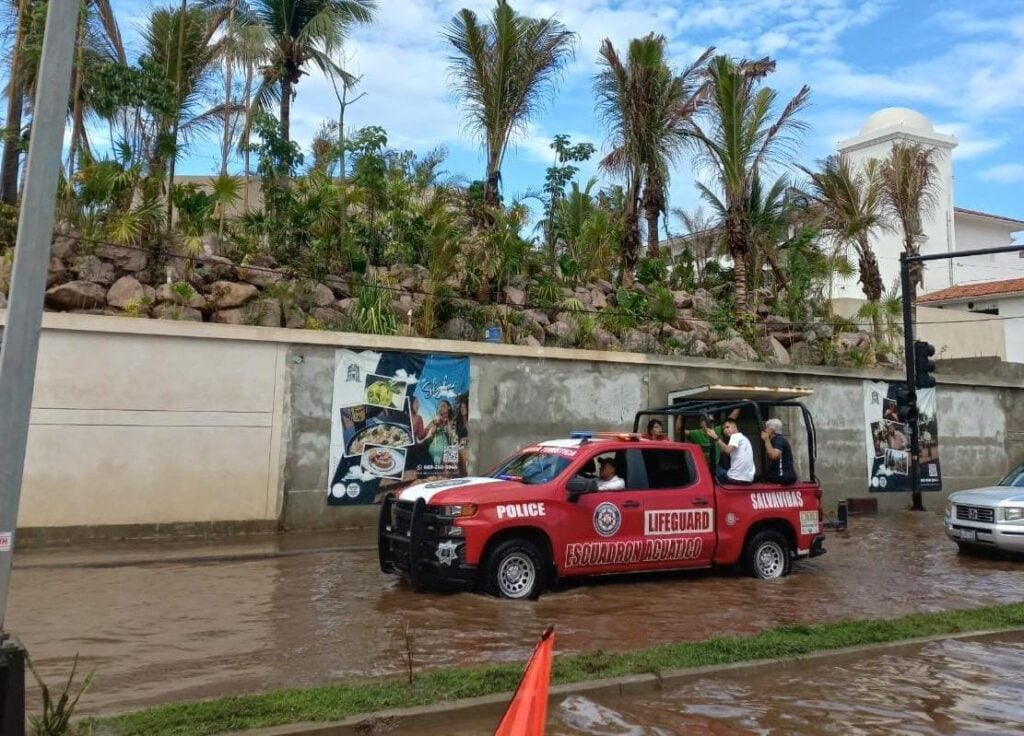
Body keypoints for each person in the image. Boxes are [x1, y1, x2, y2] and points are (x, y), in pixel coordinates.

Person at [762, 418, 797, 485]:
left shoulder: (778, 440)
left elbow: (774, 456)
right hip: (778, 474)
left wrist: (766, 439)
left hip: (783, 475)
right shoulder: (772, 441)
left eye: (766, 428)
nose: (765, 430)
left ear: (771, 430)